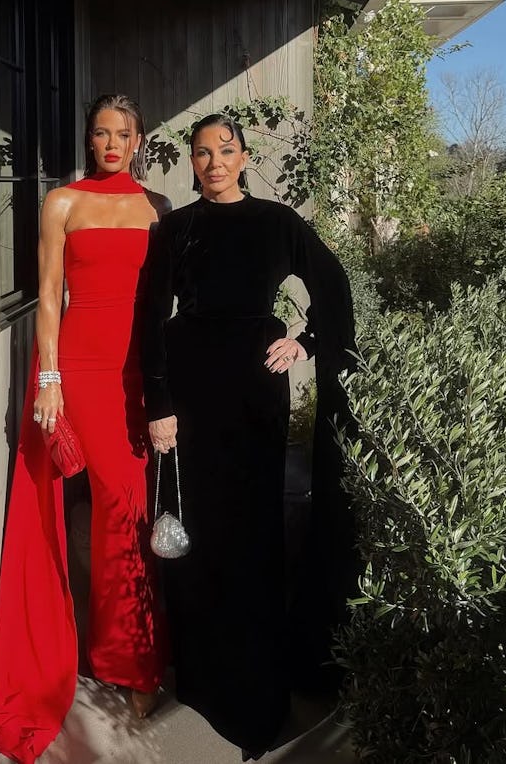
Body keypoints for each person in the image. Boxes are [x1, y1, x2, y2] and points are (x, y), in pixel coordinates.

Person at [143, 113, 356, 760]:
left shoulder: (278, 222)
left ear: (243, 156)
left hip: (256, 392)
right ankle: (203, 679)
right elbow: (149, 319)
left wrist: (306, 341)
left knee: (254, 532)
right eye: (201, 153)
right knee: (201, 533)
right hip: (190, 392)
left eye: (224, 150)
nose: (212, 162)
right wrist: (157, 403)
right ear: (192, 162)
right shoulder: (175, 229)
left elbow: (334, 287)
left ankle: (256, 693)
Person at [0, 94, 170, 764]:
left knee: (131, 510)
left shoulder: (158, 209)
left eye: (123, 133)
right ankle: (112, 660)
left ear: (140, 139)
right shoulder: (62, 203)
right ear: (89, 140)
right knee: (106, 503)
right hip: (81, 369)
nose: (111, 144)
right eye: (100, 133)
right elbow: (50, 295)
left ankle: (127, 659)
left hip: (138, 373)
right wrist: (49, 378)